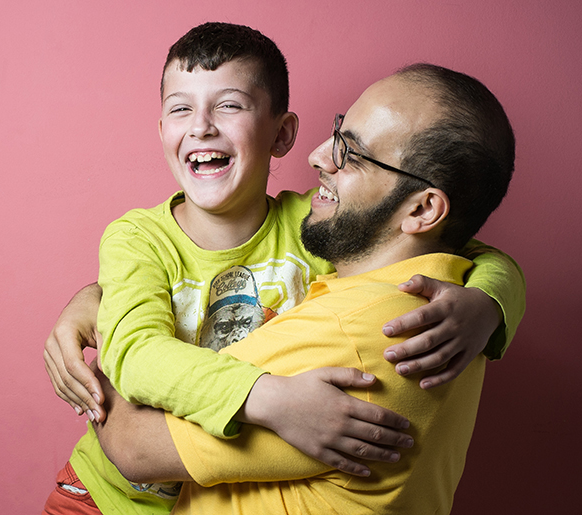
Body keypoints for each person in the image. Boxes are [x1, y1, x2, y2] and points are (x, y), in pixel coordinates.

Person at [42, 23, 524, 515]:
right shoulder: (137, 238)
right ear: (162, 130)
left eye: (228, 105)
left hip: (194, 493)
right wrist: (267, 398)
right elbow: (137, 356)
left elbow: (460, 243)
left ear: (283, 133)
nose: (201, 126)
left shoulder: (314, 226)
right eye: (180, 108)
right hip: (105, 496)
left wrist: (490, 303)